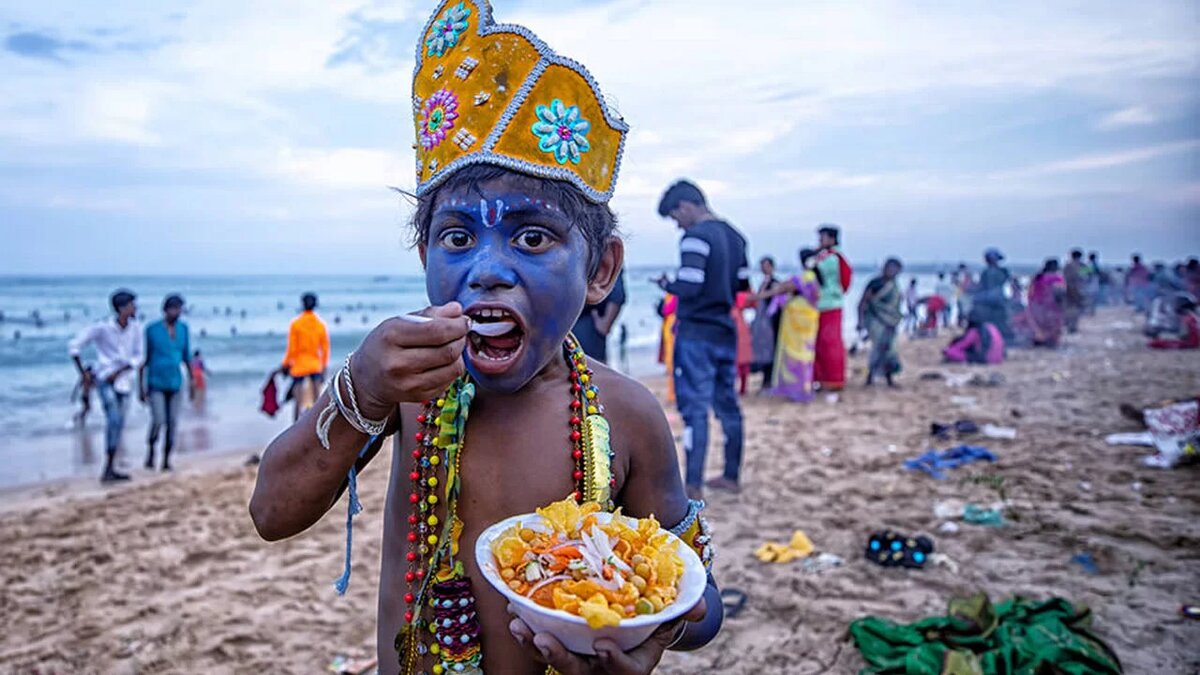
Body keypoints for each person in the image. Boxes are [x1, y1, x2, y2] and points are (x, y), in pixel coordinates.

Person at [250, 6, 721, 673]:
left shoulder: (627, 415)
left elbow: (699, 600)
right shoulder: (405, 391)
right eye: (457, 237)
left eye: (533, 237)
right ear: (424, 258)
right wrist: (360, 387)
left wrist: (654, 631)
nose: (488, 270)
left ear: (601, 269)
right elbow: (271, 510)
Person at [656, 179, 749, 498]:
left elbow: (691, 283)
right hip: (725, 328)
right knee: (728, 405)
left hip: (696, 331)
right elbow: (742, 286)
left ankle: (693, 484)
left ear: (685, 206)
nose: (677, 225)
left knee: (695, 408)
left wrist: (668, 284)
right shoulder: (736, 237)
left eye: (674, 218)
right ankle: (731, 475)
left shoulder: (695, 237)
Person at [68, 288, 143, 483]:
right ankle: (108, 466)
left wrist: (122, 370)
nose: (135, 308)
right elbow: (74, 345)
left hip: (124, 380)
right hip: (104, 378)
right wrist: (82, 372)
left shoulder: (136, 328)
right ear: (121, 308)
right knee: (114, 419)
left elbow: (139, 356)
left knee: (118, 424)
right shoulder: (102, 328)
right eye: (132, 305)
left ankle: (110, 465)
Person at [752, 249, 823, 401]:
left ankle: (794, 389)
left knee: (792, 354)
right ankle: (803, 387)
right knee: (806, 355)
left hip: (796, 320)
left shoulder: (801, 278)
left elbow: (779, 290)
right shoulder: (814, 279)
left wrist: (755, 297)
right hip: (810, 319)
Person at [139, 294, 193, 471]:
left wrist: (192, 382)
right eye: (173, 309)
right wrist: (141, 386)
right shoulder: (152, 330)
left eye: (179, 309)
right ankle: (151, 450)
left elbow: (187, 357)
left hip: (176, 382)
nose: (176, 312)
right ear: (165, 310)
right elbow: (144, 360)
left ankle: (166, 459)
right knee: (158, 420)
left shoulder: (183, 329)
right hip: (156, 382)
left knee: (173, 422)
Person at [279, 292, 330, 421]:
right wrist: (324, 366)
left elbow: (292, 349)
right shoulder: (320, 325)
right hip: (314, 365)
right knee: (316, 401)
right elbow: (325, 349)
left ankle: (295, 426)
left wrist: (285, 364)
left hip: (299, 366)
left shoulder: (296, 324)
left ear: (302, 304)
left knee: (298, 402)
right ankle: (318, 424)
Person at [813, 225, 852, 392]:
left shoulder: (832, 258)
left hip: (830, 304)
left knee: (830, 342)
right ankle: (822, 378)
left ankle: (833, 378)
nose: (820, 241)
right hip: (822, 304)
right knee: (821, 342)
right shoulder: (826, 256)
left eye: (822, 238)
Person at [858, 258, 904, 387]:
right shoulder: (875, 283)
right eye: (890, 268)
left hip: (891, 323)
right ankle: (870, 377)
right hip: (875, 321)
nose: (892, 271)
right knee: (878, 348)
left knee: (890, 350)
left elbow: (896, 306)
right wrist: (860, 322)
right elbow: (862, 302)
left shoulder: (894, 286)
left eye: (895, 269)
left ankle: (889, 379)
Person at [571, 267, 626, 363]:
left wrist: (606, 322)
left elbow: (618, 294)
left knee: (592, 371)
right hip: (569, 327)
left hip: (587, 326)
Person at [748, 256, 781, 390]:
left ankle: (769, 380)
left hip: (770, 323)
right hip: (762, 322)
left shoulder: (775, 284)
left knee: (771, 350)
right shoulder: (764, 283)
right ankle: (765, 379)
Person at [1023, 259, 1066, 348]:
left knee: (1038, 326)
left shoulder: (1037, 277)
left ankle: (1038, 341)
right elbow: (1060, 292)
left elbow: (1030, 292)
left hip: (1034, 305)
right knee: (1052, 326)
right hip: (1049, 305)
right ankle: (1050, 342)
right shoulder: (1056, 278)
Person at [971, 247, 1012, 339]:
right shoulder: (1003, 271)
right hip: (999, 299)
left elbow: (982, 286)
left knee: (989, 321)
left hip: (988, 299)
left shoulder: (987, 272)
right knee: (999, 321)